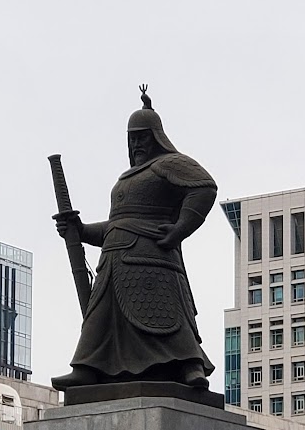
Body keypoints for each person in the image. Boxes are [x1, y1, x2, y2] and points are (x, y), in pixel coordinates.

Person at [52, 88, 217, 391]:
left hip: (151, 256)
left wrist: (180, 229)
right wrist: (81, 229)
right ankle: (87, 367)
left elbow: (205, 186)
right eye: (132, 138)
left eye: (142, 136)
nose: (137, 143)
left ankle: (189, 366)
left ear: (156, 136)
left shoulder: (167, 164)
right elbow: (116, 226)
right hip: (114, 261)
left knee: (165, 314)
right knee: (99, 319)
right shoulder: (125, 178)